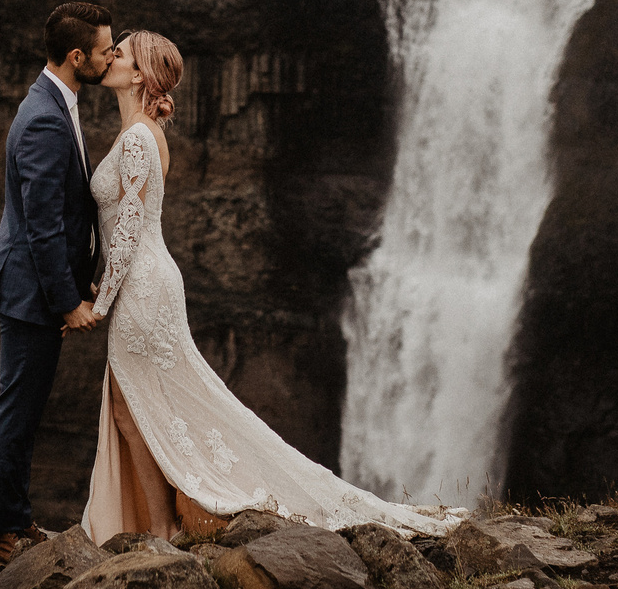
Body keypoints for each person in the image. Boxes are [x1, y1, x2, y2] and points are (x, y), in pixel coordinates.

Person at [81, 29, 454, 542]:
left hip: (141, 286)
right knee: (133, 406)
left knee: (141, 404)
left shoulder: (141, 137)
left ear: (140, 74)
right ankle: (163, 522)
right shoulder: (135, 134)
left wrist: (99, 301)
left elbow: (127, 227)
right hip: (140, 283)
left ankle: (166, 524)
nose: (110, 59)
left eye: (118, 54)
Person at [0, 0, 115, 564]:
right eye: (105, 51)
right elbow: (41, 226)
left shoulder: (57, 103)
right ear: (77, 55)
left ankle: (14, 518)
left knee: (26, 408)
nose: (111, 59)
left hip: (38, 290)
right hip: (31, 293)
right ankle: (0, 538)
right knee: (18, 409)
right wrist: (67, 304)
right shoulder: (42, 119)